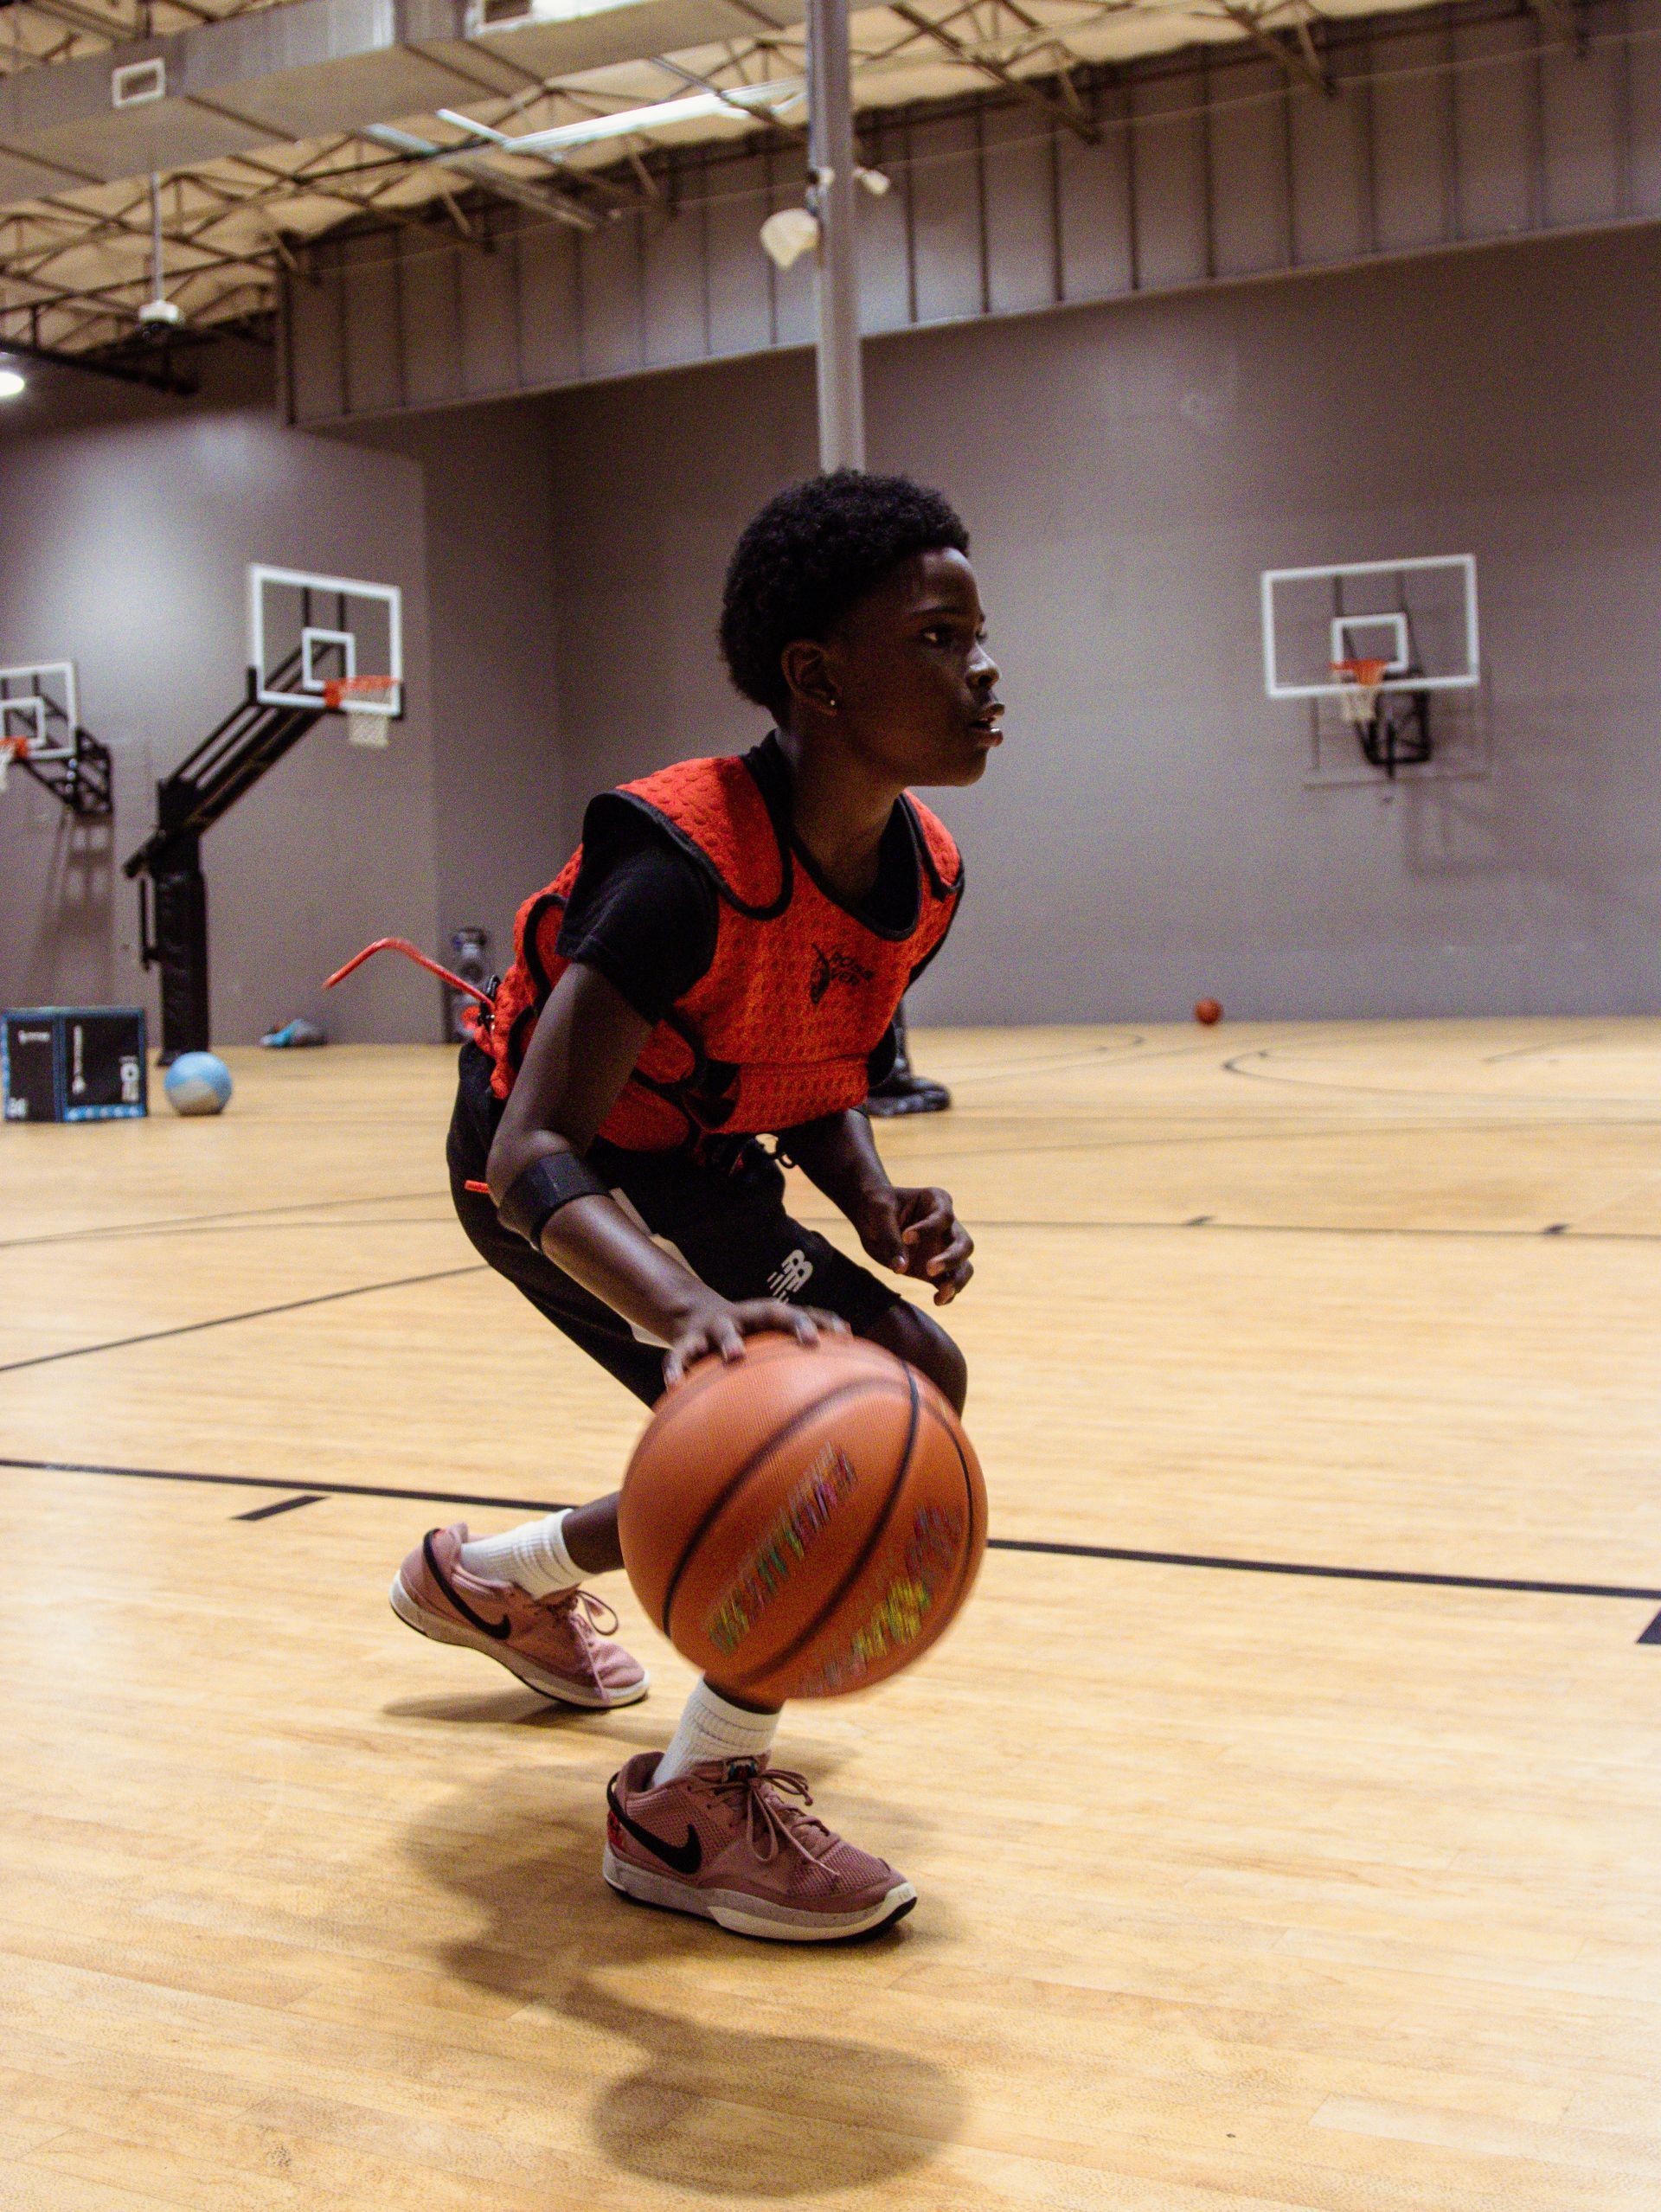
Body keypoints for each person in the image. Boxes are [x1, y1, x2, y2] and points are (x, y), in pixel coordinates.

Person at [391, 470, 1003, 1940]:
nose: (983, 669)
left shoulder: (920, 873)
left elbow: (808, 1047)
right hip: (553, 1164)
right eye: (935, 639)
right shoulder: (677, 865)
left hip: (695, 1151)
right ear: (818, 679)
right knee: (829, 1427)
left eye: (981, 636)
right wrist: (685, 1311)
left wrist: (869, 1195)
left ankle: (497, 1576)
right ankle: (688, 1808)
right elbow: (533, 1140)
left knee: (910, 1377)